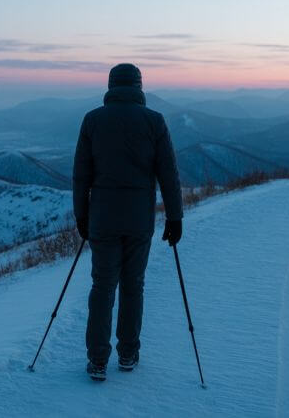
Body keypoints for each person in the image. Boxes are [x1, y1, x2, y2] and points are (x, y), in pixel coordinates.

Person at [72, 63, 183, 382]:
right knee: (133, 285)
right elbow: (168, 174)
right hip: (139, 219)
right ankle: (128, 353)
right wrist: (174, 217)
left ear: (111, 86)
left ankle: (97, 360)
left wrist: (82, 215)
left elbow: (81, 175)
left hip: (102, 218)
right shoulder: (154, 121)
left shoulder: (92, 120)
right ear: (139, 86)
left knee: (102, 286)